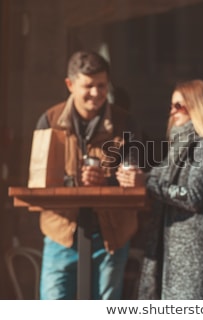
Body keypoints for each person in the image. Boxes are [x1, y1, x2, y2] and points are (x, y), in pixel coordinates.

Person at [33, 50, 139, 299]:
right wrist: (73, 181)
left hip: (111, 235)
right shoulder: (49, 120)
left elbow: (135, 178)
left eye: (102, 86)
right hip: (61, 232)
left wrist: (107, 181)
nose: (96, 93)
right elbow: (37, 180)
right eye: (88, 86)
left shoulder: (126, 123)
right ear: (70, 84)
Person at [116, 79, 203, 299]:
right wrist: (135, 177)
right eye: (171, 105)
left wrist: (146, 182)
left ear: (196, 106)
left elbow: (193, 196)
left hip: (196, 255)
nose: (172, 111)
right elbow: (157, 182)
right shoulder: (177, 146)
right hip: (173, 253)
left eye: (178, 105)